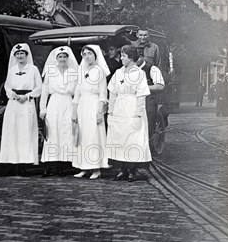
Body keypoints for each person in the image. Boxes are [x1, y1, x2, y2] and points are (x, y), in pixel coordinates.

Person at [106, 46, 151, 182]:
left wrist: (137, 115)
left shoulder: (139, 73)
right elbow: (112, 93)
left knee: (132, 139)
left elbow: (141, 95)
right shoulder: (118, 73)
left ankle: (132, 170)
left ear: (131, 57)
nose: (121, 58)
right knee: (119, 138)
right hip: (120, 108)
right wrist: (111, 111)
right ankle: (122, 170)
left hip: (132, 107)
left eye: (124, 56)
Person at [0, 43, 42, 176]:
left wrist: (27, 96)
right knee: (12, 132)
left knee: (25, 132)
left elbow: (39, 87)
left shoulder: (33, 69)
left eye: (22, 53)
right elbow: (6, 86)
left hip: (26, 103)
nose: (19, 56)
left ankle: (24, 164)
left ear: (26, 55)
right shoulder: (12, 70)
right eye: (17, 54)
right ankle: (11, 163)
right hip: (14, 103)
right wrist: (12, 95)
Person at [72, 45, 110, 179]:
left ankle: (96, 168)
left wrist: (100, 112)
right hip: (82, 105)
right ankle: (84, 167)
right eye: (84, 54)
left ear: (95, 55)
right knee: (82, 136)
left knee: (93, 136)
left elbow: (102, 93)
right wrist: (74, 112)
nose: (87, 57)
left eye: (89, 54)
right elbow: (77, 93)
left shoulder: (99, 71)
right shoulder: (81, 70)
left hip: (94, 105)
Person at [39, 46, 78, 177]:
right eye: (60, 57)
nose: (62, 59)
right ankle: (49, 164)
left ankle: (62, 164)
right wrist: (42, 108)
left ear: (68, 58)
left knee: (65, 131)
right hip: (54, 102)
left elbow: (76, 92)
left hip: (67, 102)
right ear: (56, 59)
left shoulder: (73, 72)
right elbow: (44, 90)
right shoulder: (50, 71)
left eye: (64, 57)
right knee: (52, 132)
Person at [136, 56, 165, 141]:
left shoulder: (152, 69)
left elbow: (160, 86)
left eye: (136, 57)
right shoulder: (128, 70)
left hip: (148, 99)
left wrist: (144, 87)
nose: (134, 60)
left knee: (148, 121)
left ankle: (148, 138)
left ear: (142, 57)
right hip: (133, 99)